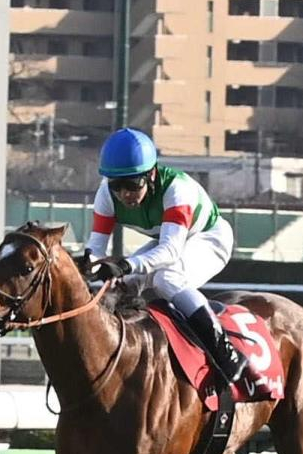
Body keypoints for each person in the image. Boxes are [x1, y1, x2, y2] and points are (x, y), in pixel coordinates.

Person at [83, 127, 261, 393]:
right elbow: (96, 247)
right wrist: (87, 264)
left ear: (151, 174)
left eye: (132, 185)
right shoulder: (105, 194)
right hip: (166, 238)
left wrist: (125, 264)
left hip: (208, 237)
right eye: (116, 185)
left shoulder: (176, 189)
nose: (124, 194)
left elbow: (169, 252)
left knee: (167, 278)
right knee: (125, 286)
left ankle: (226, 352)